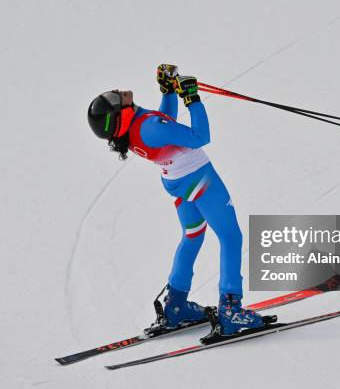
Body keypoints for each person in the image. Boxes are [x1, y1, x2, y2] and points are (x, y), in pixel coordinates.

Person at [87, 65, 273, 336]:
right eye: (114, 99)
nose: (116, 92)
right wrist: (192, 98)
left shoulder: (142, 127)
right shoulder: (149, 128)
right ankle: (231, 309)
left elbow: (167, 123)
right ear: (121, 116)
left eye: (111, 93)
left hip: (177, 182)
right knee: (231, 237)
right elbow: (200, 137)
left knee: (193, 235)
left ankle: (176, 305)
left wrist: (168, 91)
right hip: (199, 179)